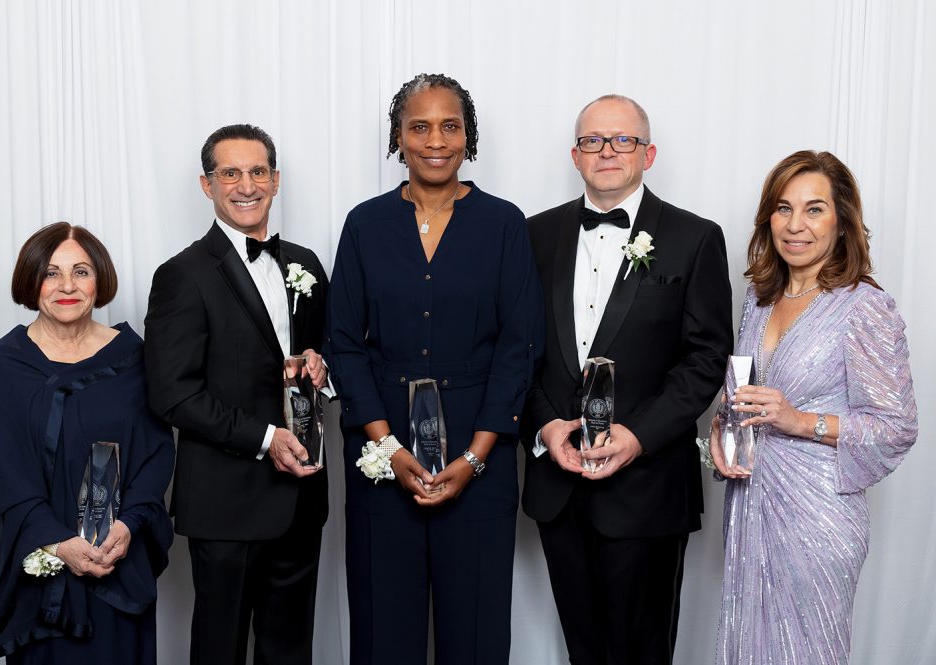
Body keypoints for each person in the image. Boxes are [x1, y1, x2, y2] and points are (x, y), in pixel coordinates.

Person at [327, 73, 543, 665]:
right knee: (382, 631)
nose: (435, 140)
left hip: (482, 454)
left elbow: (519, 346)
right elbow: (344, 344)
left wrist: (475, 456)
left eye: (450, 126)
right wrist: (387, 447)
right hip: (381, 454)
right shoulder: (364, 224)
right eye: (419, 126)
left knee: (473, 633)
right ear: (399, 138)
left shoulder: (503, 224)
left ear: (468, 138)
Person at [521, 94, 734, 665]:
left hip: (648, 489)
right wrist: (545, 427)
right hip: (560, 488)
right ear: (575, 155)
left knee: (641, 651)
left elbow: (706, 359)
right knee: (583, 648)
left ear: (649, 153)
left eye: (623, 140)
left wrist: (638, 435)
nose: (607, 151)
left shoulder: (695, 238)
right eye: (593, 140)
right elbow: (520, 350)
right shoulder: (533, 236)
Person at [708, 150, 917, 664]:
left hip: (819, 517)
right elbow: (747, 394)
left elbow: (896, 427)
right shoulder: (758, 301)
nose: (795, 225)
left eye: (815, 209)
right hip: (751, 503)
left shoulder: (864, 306)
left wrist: (799, 421)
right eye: (783, 209)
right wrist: (719, 430)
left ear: (843, 222)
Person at [144, 123, 330, 665]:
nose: (245, 185)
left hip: (302, 499)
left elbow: (321, 354)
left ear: (276, 181)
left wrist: (323, 367)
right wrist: (266, 437)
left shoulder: (306, 264)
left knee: (291, 651)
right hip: (226, 505)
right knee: (219, 651)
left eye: (257, 172)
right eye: (230, 173)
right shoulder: (181, 275)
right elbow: (172, 395)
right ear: (207, 185)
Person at [0, 222, 174, 663]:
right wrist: (57, 543)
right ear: (31, 280)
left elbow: (155, 454)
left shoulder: (135, 358)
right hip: (41, 577)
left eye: (81, 272)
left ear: (100, 280)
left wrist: (129, 524)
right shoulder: (3, 367)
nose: (66, 286)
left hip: (118, 561)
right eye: (51, 273)